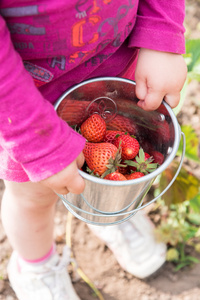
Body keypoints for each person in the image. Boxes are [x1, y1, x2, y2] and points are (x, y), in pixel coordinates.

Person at [0, 1, 187, 299]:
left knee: (114, 149)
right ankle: (36, 266)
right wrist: (35, 138)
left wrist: (162, 32)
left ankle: (105, 212)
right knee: (31, 198)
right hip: (28, 106)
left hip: (117, 62)